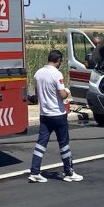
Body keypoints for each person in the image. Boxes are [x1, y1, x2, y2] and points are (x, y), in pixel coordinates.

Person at [28, 50, 83, 183]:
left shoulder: (38, 73)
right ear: (58, 60)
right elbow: (62, 94)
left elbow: (36, 93)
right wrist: (68, 91)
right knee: (64, 144)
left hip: (44, 114)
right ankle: (69, 171)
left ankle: (35, 171)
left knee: (41, 143)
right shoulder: (57, 74)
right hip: (58, 114)